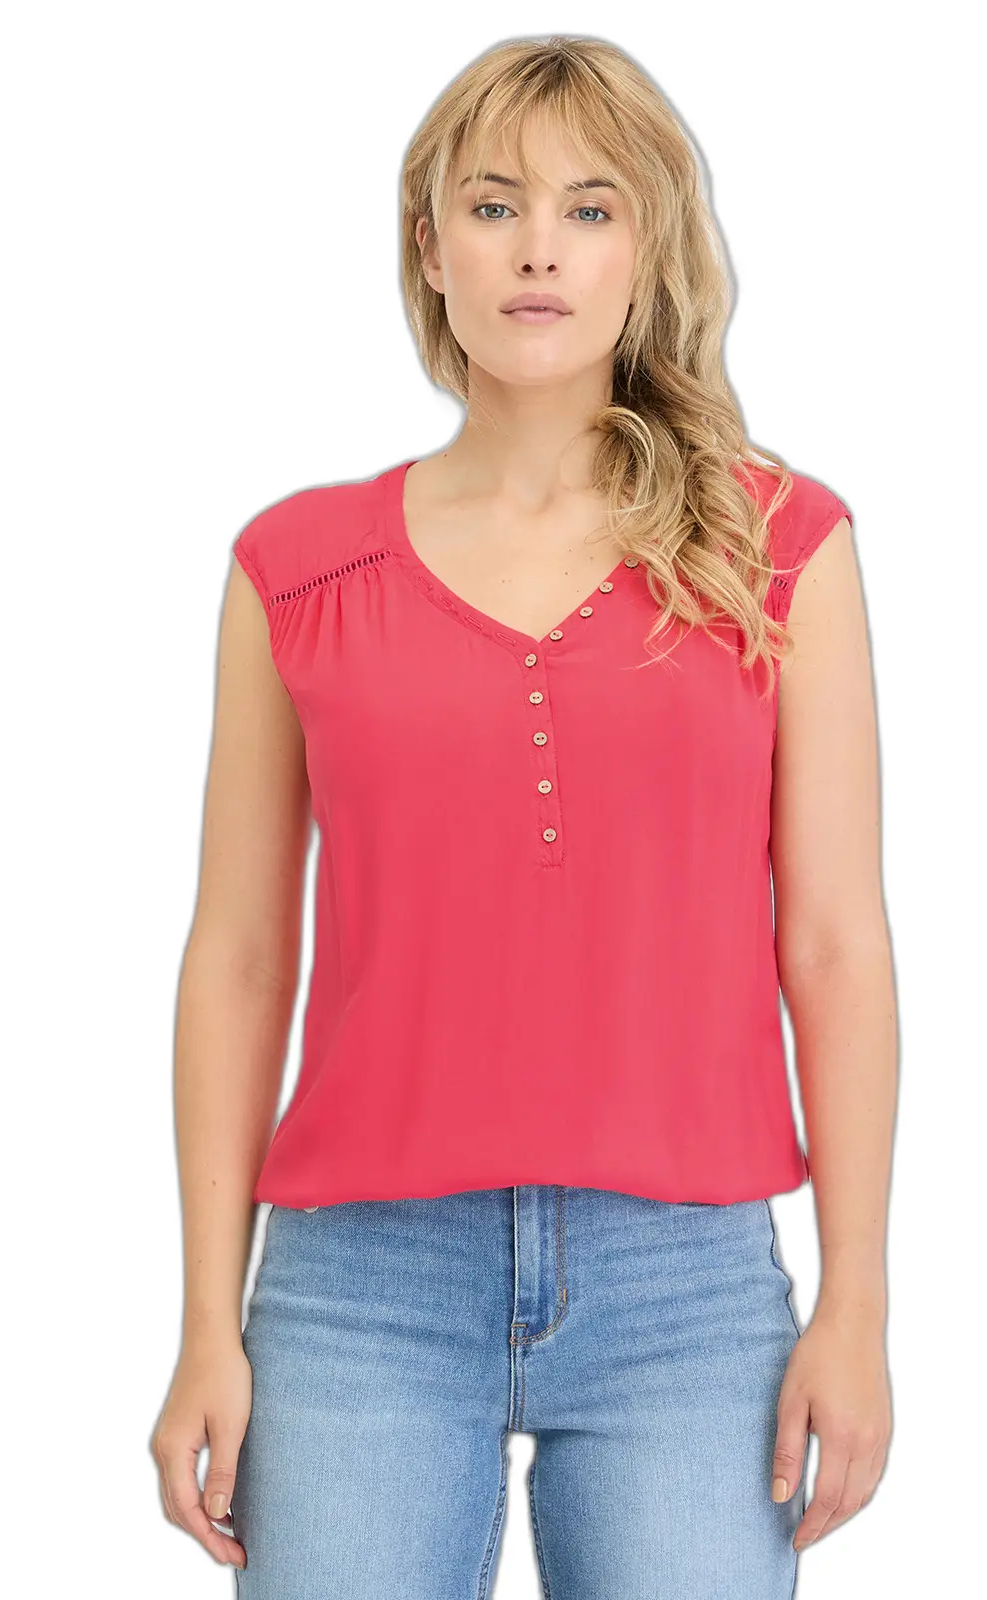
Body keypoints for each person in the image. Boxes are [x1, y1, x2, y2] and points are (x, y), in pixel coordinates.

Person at [151, 34, 896, 1600]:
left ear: (647, 247)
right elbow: (238, 957)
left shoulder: (778, 551)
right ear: (431, 249)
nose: (539, 248)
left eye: (588, 207)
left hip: (687, 1292)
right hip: (358, 1289)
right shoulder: (299, 570)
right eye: (493, 206)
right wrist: (205, 1321)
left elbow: (834, 944)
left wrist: (858, 1305)